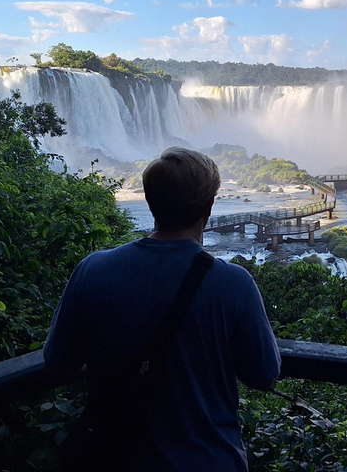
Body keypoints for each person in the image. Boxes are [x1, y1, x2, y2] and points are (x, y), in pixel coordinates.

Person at [44, 147, 281, 471]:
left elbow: (58, 360)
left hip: (115, 458)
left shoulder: (93, 270)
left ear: (150, 200)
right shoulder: (233, 284)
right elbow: (264, 373)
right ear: (209, 206)